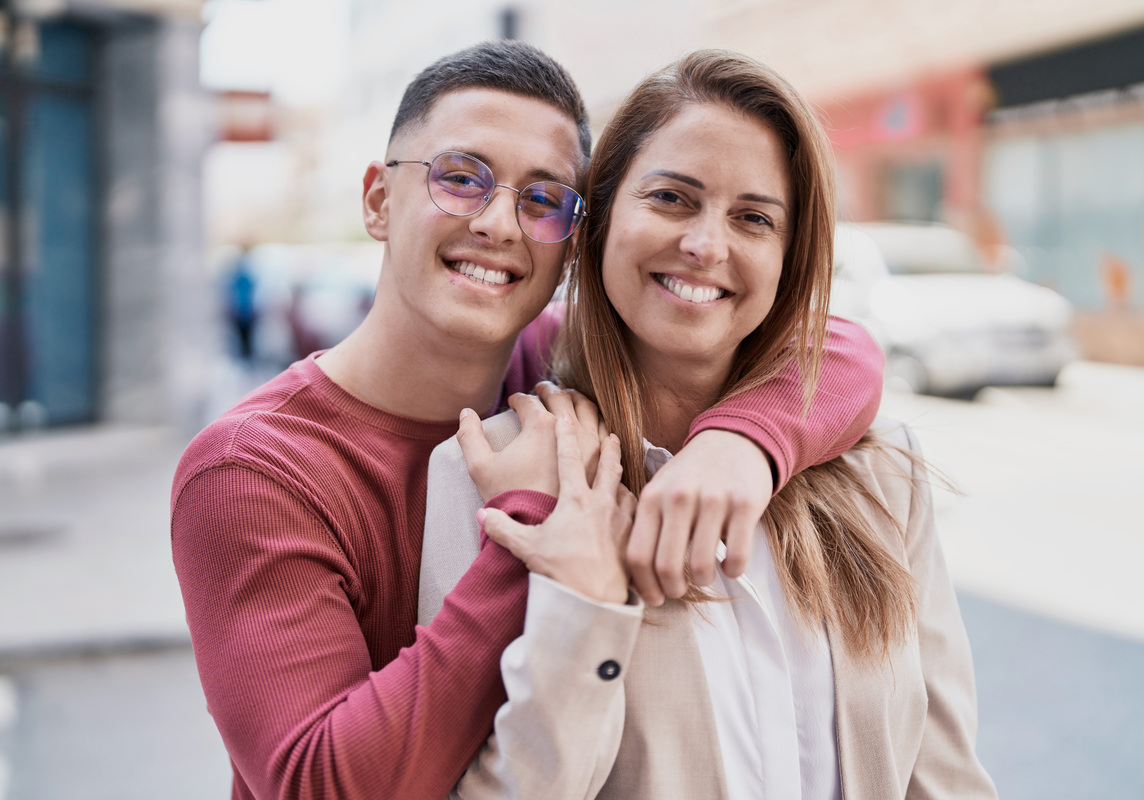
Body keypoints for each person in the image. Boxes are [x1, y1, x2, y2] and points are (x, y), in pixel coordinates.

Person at [171, 41, 884, 800]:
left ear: (574, 243)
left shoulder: (555, 360)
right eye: (460, 179)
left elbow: (839, 349)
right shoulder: (254, 468)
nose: (500, 224)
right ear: (379, 200)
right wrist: (527, 535)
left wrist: (741, 445)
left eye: (544, 199)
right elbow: (318, 785)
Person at [420, 50, 997, 799]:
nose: (706, 245)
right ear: (595, 225)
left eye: (754, 218)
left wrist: (744, 444)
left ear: (791, 258)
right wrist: (587, 602)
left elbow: (945, 778)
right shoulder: (490, 473)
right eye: (671, 198)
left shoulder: (883, 476)